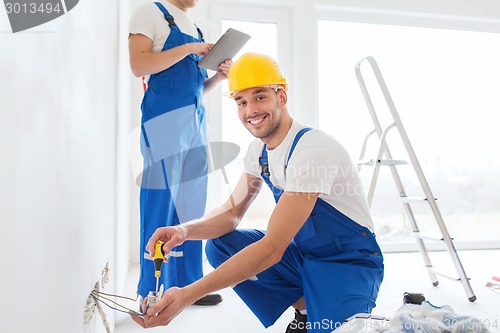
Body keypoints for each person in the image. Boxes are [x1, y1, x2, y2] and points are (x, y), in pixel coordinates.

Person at [131, 52, 384, 333]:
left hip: (347, 261)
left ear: (281, 97)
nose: (250, 110)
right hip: (304, 255)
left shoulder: (313, 150)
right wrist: (184, 230)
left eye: (260, 97)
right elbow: (230, 215)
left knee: (335, 329)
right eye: (241, 101)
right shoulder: (259, 152)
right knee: (220, 244)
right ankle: (304, 310)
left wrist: (187, 295)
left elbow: (272, 249)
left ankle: (328, 311)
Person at [128, 0, 231, 306]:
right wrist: (190, 49)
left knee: (190, 206)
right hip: (164, 120)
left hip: (195, 123)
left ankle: (188, 286)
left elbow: (196, 87)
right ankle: (150, 290)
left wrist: (218, 78)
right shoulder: (150, 13)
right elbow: (139, 65)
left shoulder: (192, 24)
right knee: (159, 203)